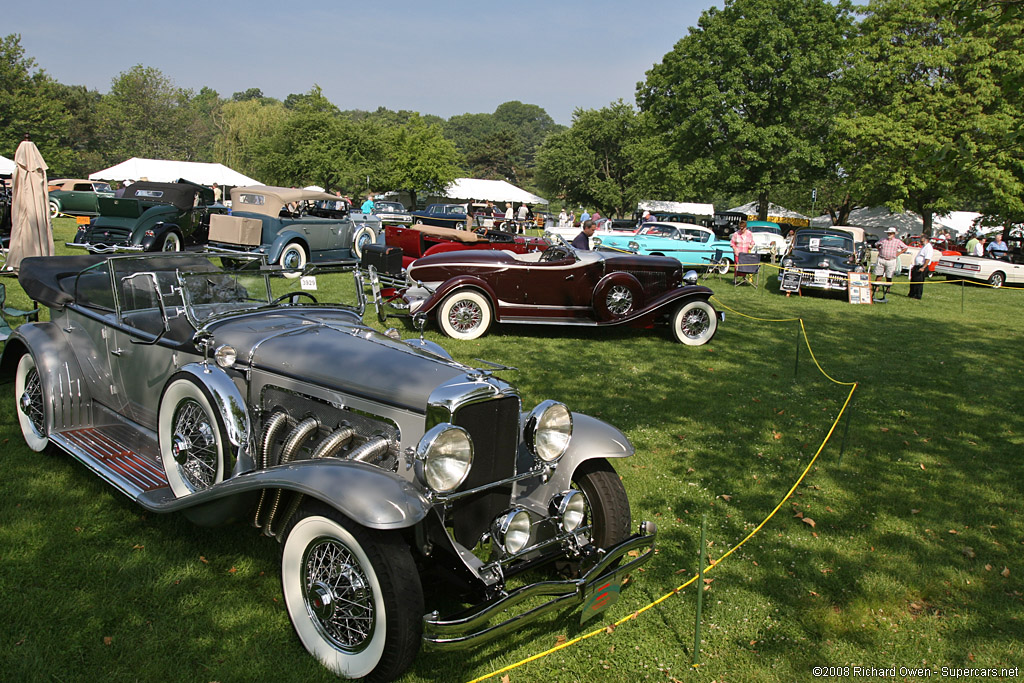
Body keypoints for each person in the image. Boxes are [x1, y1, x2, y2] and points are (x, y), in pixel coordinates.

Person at [873, 227, 908, 297]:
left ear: (894, 234)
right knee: (879, 274)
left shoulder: (897, 241)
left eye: (891, 233)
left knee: (889, 275)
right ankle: (876, 287)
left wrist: (898, 253)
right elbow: (876, 244)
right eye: (888, 233)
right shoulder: (883, 240)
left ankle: (888, 289)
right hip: (882, 259)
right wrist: (879, 250)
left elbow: (905, 247)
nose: (889, 234)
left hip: (891, 260)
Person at [908, 234, 933, 299]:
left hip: (922, 266)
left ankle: (917, 295)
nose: (920, 243)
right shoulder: (924, 247)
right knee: (913, 280)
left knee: (918, 282)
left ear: (926, 240)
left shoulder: (928, 248)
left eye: (922, 241)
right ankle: (912, 294)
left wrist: (923, 267)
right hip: (917, 266)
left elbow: (927, 259)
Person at [729, 219, 754, 285]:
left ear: (745, 227)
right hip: (738, 253)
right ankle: (735, 279)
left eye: (743, 228)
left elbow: (752, 242)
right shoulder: (736, 234)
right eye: (740, 228)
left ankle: (744, 279)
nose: (741, 229)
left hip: (746, 253)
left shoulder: (749, 234)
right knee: (737, 266)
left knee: (744, 266)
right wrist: (734, 248)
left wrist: (751, 245)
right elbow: (732, 243)